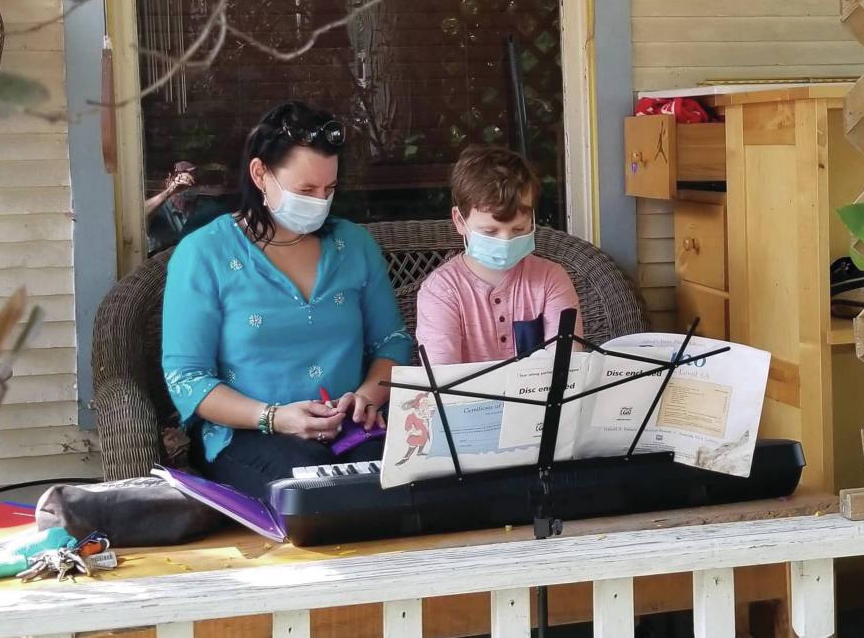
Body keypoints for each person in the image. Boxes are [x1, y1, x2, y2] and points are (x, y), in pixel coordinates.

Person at [161, 102, 412, 497]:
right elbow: (187, 379)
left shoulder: (354, 244)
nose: (320, 201)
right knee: (317, 489)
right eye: (306, 190)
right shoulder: (203, 253)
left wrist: (367, 396)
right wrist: (274, 418)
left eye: (329, 189)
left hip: (350, 429)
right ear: (260, 174)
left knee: (410, 476)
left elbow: (392, 342)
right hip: (248, 434)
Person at [416, 145, 582, 364]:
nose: (505, 241)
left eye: (519, 229)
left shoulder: (551, 279)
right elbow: (441, 378)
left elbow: (569, 367)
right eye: (490, 231)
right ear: (459, 221)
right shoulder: (440, 291)